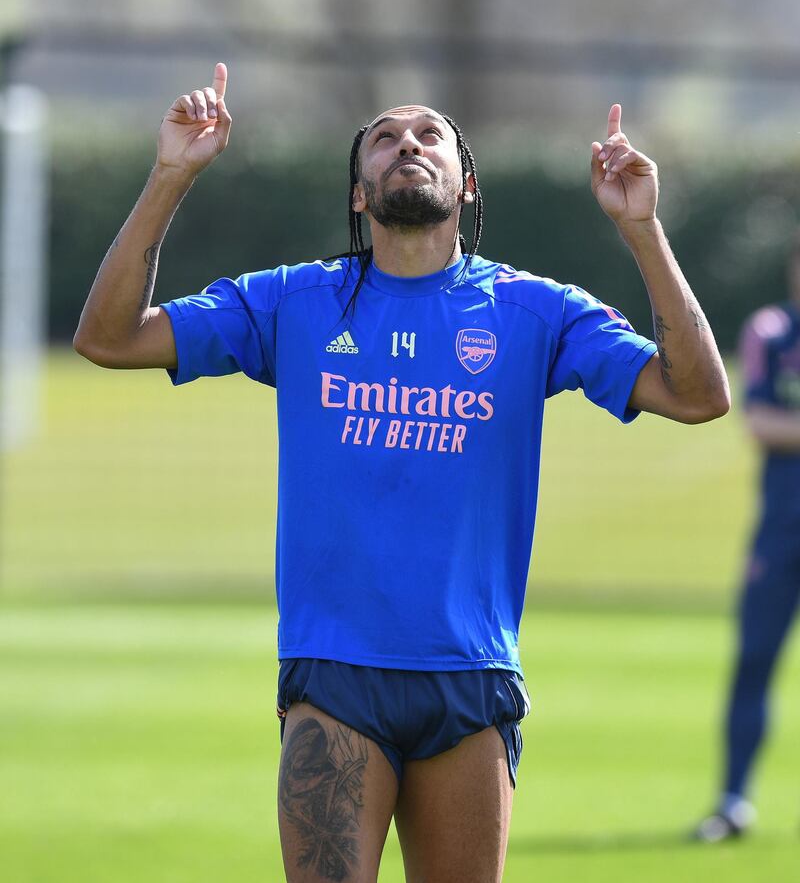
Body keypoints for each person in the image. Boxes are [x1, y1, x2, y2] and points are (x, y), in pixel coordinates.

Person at [74, 63, 730, 882]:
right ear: (359, 193)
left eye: (429, 137)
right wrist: (171, 176)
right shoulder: (292, 302)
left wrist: (642, 230)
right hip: (336, 679)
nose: (406, 145)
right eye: (384, 139)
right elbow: (108, 338)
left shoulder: (536, 309)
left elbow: (700, 396)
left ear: (466, 185)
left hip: (470, 679)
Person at [694, 239, 800, 843]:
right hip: (781, 531)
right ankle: (733, 801)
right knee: (755, 660)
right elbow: (760, 422)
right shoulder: (774, 331)